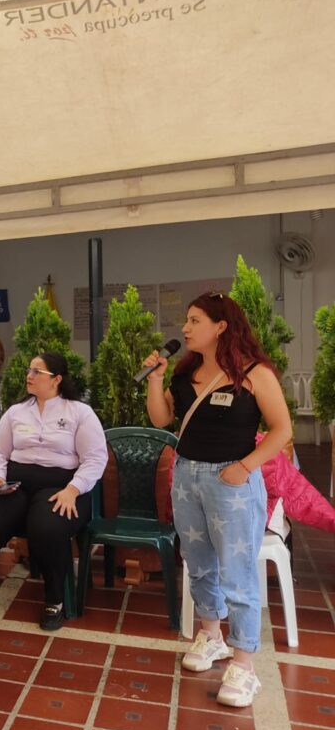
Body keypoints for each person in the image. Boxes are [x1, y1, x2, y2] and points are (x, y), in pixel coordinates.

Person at [144, 291, 291, 707]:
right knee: (198, 562)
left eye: (194, 320)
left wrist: (245, 466)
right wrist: (156, 379)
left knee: (237, 571)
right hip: (187, 475)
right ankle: (211, 635)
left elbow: (281, 430)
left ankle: (244, 663)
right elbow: (161, 418)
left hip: (232, 483)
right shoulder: (186, 370)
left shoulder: (254, 373)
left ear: (220, 326)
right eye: (186, 321)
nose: (185, 329)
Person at [0, 352, 107, 636]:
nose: (29, 375)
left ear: (56, 380)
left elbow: (95, 459)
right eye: (29, 370)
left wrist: (73, 489)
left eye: (37, 371)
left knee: (46, 525)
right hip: (15, 484)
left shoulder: (79, 413)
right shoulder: (16, 412)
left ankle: (55, 599)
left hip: (61, 486)